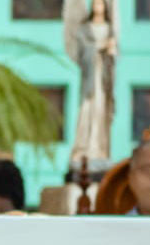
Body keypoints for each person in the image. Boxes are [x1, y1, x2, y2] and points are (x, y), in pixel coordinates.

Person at [63, 0, 119, 169]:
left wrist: (110, 51)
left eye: (101, 4)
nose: (98, 7)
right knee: (87, 113)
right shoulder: (84, 29)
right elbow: (81, 52)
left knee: (101, 113)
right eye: (95, 4)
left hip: (103, 80)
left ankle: (99, 150)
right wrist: (98, 48)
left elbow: (114, 55)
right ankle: (83, 148)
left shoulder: (110, 29)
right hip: (89, 81)